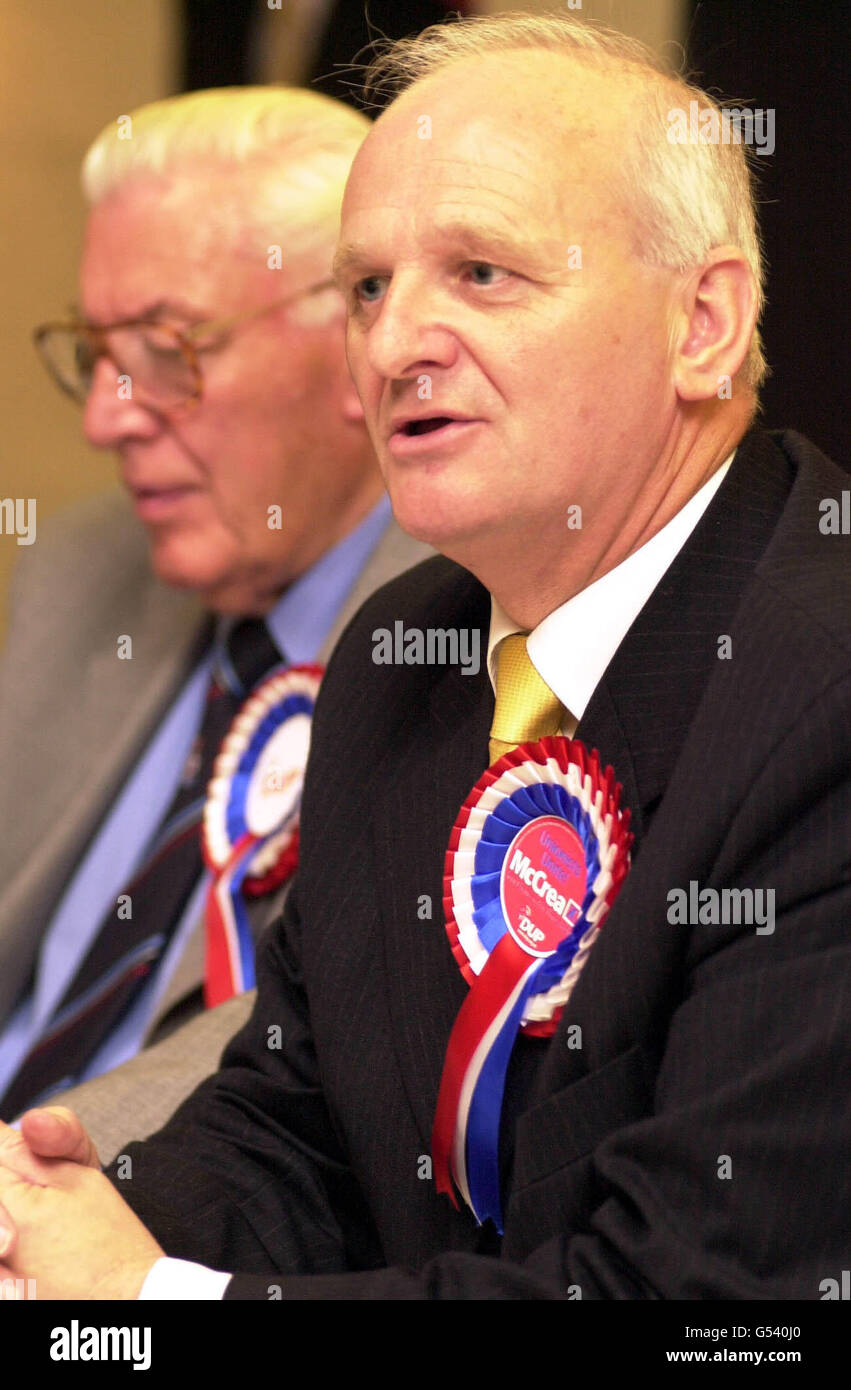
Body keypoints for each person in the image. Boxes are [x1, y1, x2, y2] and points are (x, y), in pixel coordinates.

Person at [0, 12, 848, 1300]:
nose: (394, 346)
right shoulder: (401, 665)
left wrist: (152, 1304)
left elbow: (703, 1300)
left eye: (483, 274)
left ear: (702, 322)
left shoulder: (822, 688)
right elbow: (293, 1127)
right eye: (366, 288)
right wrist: (56, 1217)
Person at [0, 86, 429, 1123]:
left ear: (354, 347)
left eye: (165, 348)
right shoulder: (81, 566)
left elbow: (301, 1060)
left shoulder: (466, 637)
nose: (109, 416)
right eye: (97, 352)